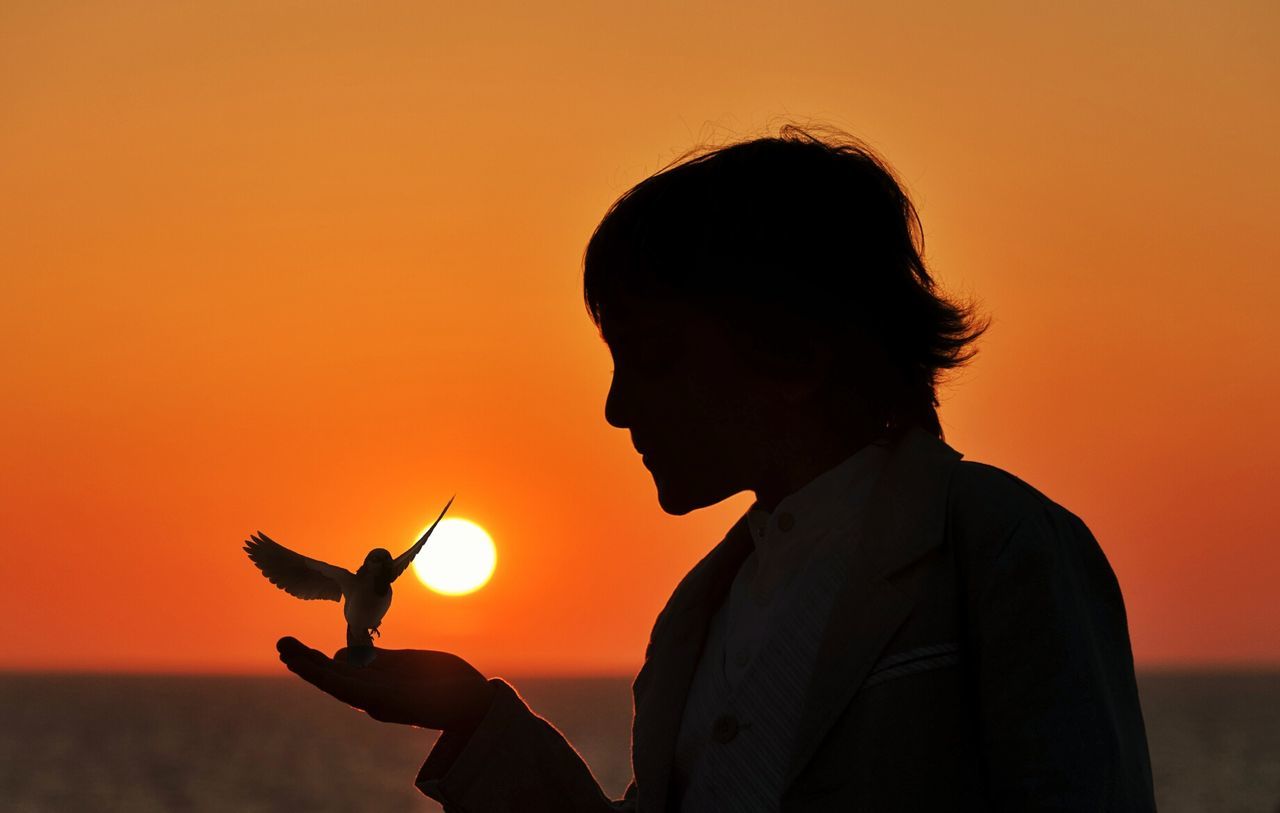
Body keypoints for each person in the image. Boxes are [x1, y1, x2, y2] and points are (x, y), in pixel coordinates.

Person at [277, 125, 1157, 811]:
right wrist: (474, 720)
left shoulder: (998, 548)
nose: (617, 408)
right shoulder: (698, 615)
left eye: (653, 358)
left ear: (795, 352)